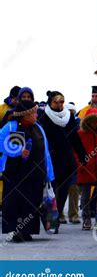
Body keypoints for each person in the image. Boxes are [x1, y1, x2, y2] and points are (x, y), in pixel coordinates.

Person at [0, 101, 54, 242]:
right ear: (25, 115)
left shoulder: (38, 128)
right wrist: (17, 151)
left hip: (35, 174)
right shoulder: (11, 126)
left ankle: (27, 230)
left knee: (31, 203)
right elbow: (1, 141)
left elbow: (45, 151)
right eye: (34, 112)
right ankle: (15, 231)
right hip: (15, 174)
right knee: (14, 203)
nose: (37, 114)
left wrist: (48, 172)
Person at [38, 91, 87, 232]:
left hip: (66, 160)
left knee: (63, 192)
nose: (59, 105)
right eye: (56, 102)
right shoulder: (43, 116)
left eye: (61, 102)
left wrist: (83, 155)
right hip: (50, 160)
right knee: (50, 191)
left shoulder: (69, 116)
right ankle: (49, 220)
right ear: (50, 102)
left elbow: (75, 139)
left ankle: (56, 218)